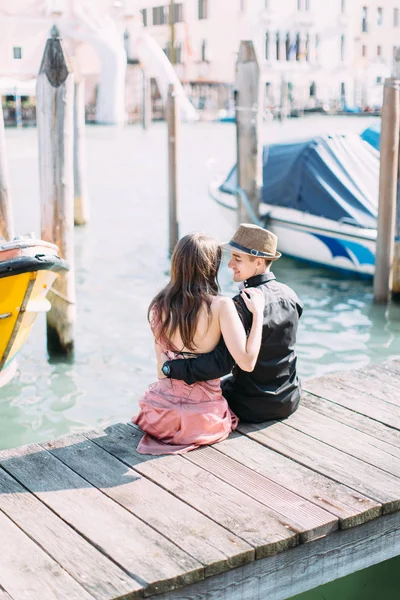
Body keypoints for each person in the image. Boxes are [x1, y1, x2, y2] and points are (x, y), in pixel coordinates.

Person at [132, 232, 265, 455]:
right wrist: (258, 314)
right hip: (201, 420)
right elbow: (247, 362)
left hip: (159, 416)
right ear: (210, 267)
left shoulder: (158, 306)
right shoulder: (221, 306)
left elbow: (162, 370)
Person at [160, 224, 303, 423]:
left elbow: (220, 363)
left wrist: (171, 368)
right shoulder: (291, 296)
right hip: (289, 399)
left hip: (250, 406)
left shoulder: (241, 304)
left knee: (208, 392)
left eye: (238, 258)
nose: (229, 265)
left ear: (259, 263)